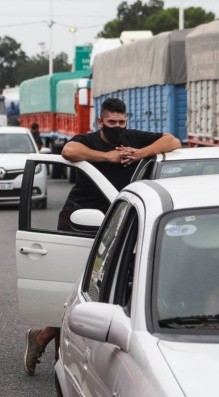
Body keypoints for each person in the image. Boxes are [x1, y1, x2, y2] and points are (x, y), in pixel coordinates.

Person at [24, 97, 181, 376]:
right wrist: (107, 157)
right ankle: (51, 342)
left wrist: (139, 152)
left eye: (122, 122)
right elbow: (70, 151)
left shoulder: (132, 138)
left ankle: (47, 338)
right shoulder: (91, 141)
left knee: (105, 289)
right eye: (112, 123)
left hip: (119, 222)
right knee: (76, 289)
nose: (118, 127)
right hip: (80, 219)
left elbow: (173, 142)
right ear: (101, 122)